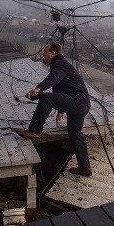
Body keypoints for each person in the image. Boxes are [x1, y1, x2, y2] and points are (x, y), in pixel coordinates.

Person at [16, 42, 92, 177]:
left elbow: (54, 78)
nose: (42, 55)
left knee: (45, 98)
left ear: (52, 53)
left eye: (44, 52)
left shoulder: (60, 63)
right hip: (83, 104)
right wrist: (61, 109)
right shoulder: (59, 65)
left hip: (77, 102)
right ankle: (85, 168)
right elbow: (58, 86)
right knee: (75, 134)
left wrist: (38, 89)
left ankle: (34, 131)